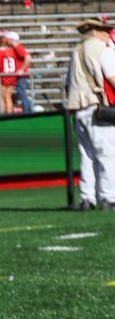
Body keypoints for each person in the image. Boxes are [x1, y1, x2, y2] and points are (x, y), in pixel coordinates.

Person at [65, 17, 115, 210]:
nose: (107, 33)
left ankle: (87, 198)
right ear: (97, 31)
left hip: (79, 108)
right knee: (107, 154)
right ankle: (109, 197)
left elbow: (68, 84)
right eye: (105, 30)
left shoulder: (75, 51)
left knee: (87, 156)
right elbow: (112, 77)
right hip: (97, 107)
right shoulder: (104, 50)